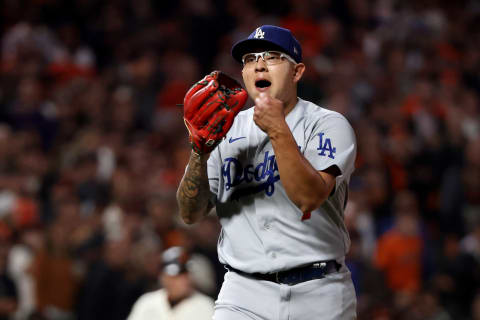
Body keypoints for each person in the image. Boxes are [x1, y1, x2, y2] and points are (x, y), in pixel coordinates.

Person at [177, 25, 357, 319]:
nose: (259, 64)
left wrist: (276, 127)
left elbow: (308, 197)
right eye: (250, 60)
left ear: (297, 72)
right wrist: (199, 152)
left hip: (320, 291)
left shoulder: (327, 125)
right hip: (243, 293)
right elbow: (189, 213)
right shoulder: (226, 130)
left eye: (272, 57)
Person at [126, 246, 214, 320]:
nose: (174, 282)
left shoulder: (207, 307)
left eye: (180, 276)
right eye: (170, 277)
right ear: (162, 277)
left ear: (189, 278)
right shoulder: (146, 302)